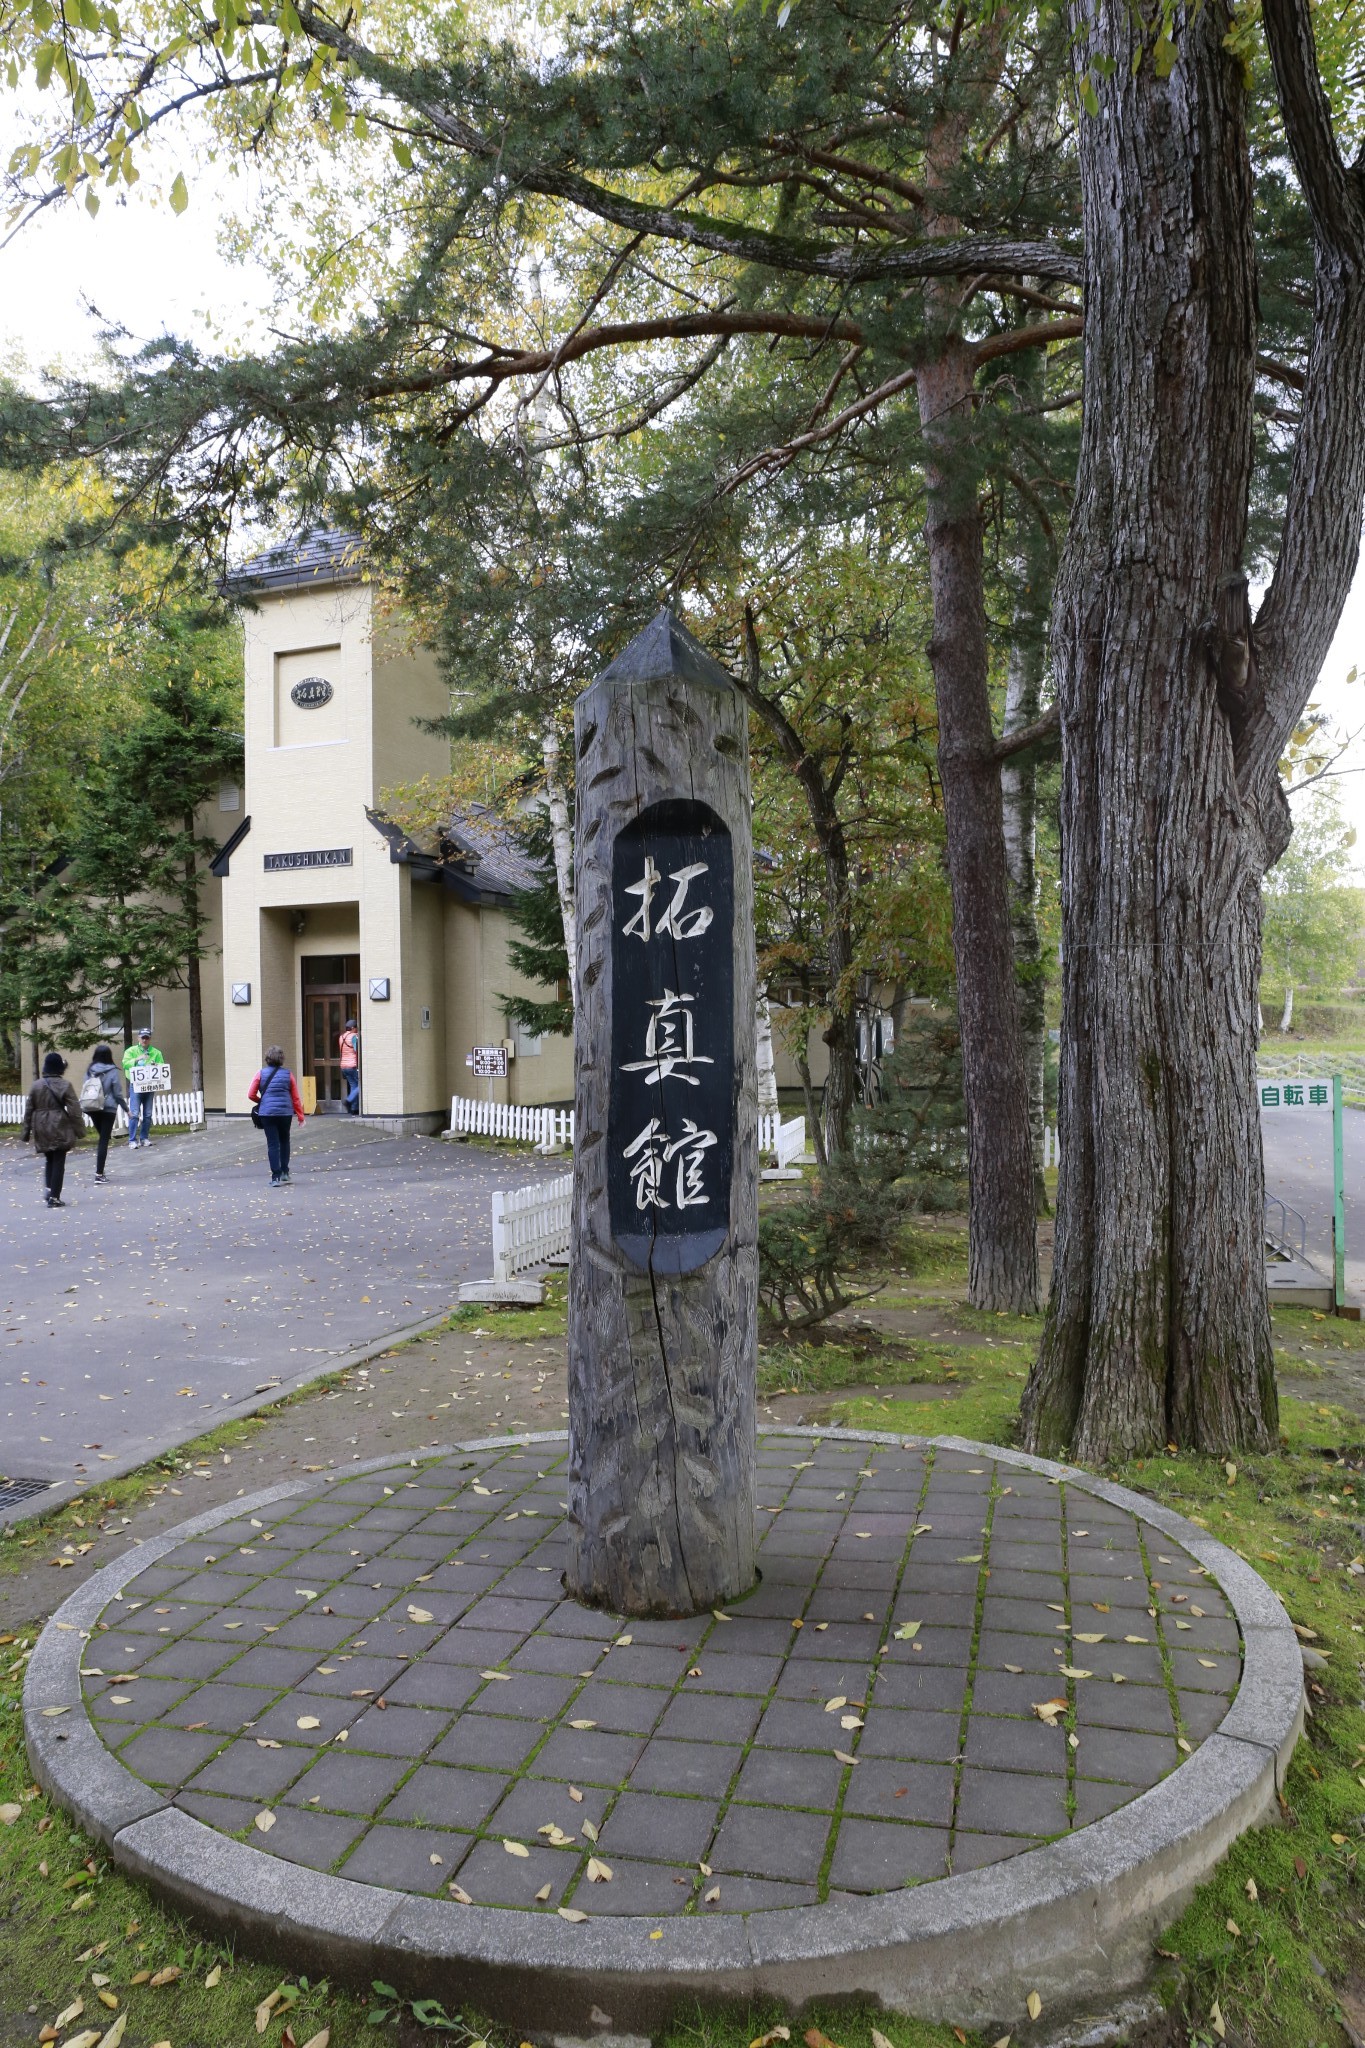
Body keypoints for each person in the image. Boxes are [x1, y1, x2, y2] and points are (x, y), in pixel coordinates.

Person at [22, 1052, 89, 1208]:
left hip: (40, 1125)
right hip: (59, 1124)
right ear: (60, 1068)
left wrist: (25, 1133)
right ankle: (54, 1197)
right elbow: (74, 1110)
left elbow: (28, 1110)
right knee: (59, 1160)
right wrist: (80, 1131)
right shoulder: (65, 1085)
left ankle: (49, 1189)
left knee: (49, 1158)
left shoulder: (36, 1085)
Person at [248, 1045, 305, 1186]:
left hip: (267, 1113)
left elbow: (251, 1094)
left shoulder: (260, 1074)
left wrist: (262, 1101)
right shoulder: (288, 1074)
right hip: (285, 1113)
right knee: (285, 1141)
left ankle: (275, 1177)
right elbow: (296, 1097)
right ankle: (285, 1172)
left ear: (267, 1059)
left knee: (273, 1144)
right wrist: (300, 1116)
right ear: (281, 1059)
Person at [81, 1042, 127, 1183]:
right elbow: (117, 1093)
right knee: (103, 1141)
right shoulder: (112, 1071)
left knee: (103, 1138)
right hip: (108, 1109)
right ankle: (99, 1174)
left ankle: (100, 1172)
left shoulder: (90, 1070)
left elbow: (86, 1088)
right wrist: (127, 1109)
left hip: (93, 1108)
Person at [121, 1025, 165, 1149]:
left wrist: (156, 1065)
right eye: (142, 1037)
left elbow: (162, 1067)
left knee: (148, 1114)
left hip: (150, 1086)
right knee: (134, 1113)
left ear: (150, 1039)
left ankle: (144, 1138)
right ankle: (132, 1140)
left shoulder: (156, 1052)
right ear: (138, 1038)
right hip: (136, 1086)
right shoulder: (131, 1051)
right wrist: (136, 1059)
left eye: (147, 1038)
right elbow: (125, 1064)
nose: (144, 1040)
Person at [339, 1017, 360, 1115]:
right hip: (352, 1065)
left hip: (343, 1066)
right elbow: (357, 1050)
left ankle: (354, 1109)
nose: (356, 1029)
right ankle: (349, 1100)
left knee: (353, 1086)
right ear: (352, 1028)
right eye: (356, 1028)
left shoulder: (341, 1037)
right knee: (361, 1085)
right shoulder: (354, 1037)